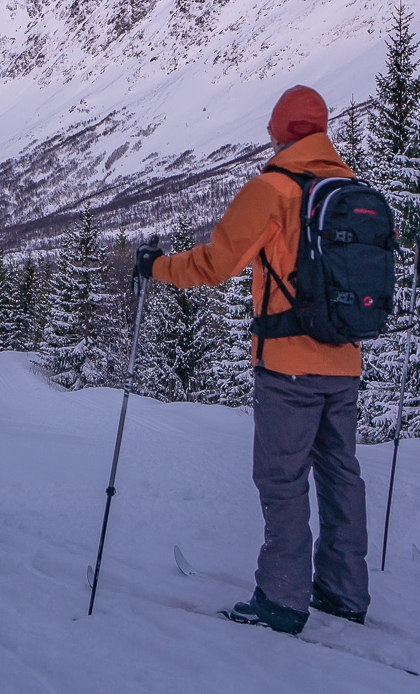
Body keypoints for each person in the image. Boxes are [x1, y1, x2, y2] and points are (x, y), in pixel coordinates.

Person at [136, 85, 370, 635]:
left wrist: (158, 268)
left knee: (283, 478)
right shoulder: (354, 189)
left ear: (281, 130)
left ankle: (283, 600)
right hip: (345, 362)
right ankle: (343, 590)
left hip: (288, 364)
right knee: (341, 475)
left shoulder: (273, 188)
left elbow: (217, 263)